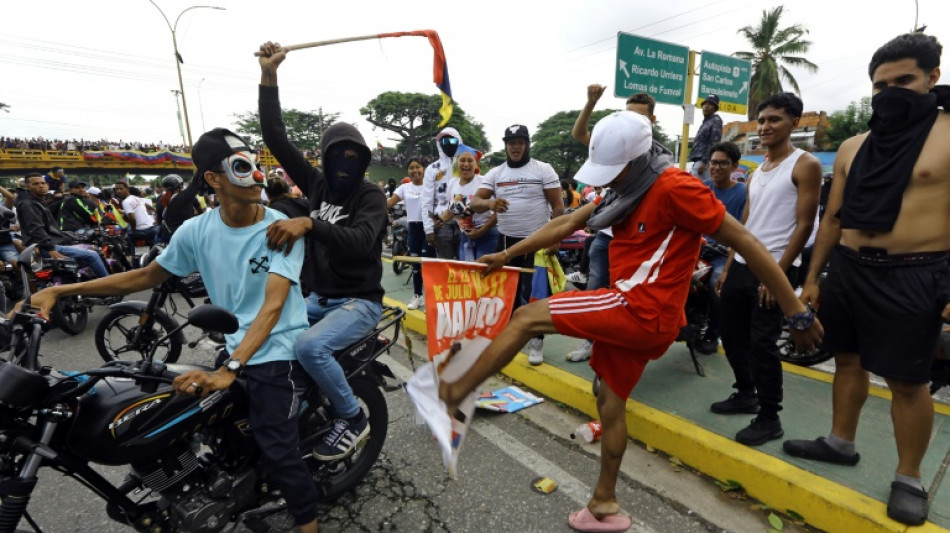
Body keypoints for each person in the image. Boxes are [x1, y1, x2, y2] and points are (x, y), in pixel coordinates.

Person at [440, 111, 822, 532]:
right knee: (609, 400)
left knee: (527, 317)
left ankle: (455, 391)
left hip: (640, 308)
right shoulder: (622, 188)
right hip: (633, 309)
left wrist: (797, 311)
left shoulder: (676, 186)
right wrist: (508, 255)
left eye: (612, 170)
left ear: (638, 158)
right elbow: (567, 221)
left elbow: (747, 240)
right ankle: (604, 503)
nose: (605, 179)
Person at [28, 128, 320, 533]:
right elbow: (145, 275)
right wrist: (62, 290)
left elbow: (272, 307)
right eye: (241, 167)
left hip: (278, 350)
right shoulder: (195, 231)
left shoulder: (279, 228)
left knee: (280, 451)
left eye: (255, 167)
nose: (255, 177)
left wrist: (228, 368)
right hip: (237, 347)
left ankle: (308, 522)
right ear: (213, 179)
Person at [783, 33, 950, 526]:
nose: (891, 91)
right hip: (851, 269)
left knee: (907, 380)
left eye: (905, 80)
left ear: (932, 78)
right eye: (881, 85)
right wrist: (813, 277)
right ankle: (840, 442)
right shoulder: (856, 145)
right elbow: (832, 219)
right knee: (848, 360)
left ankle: (908, 477)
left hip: (916, 272)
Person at [258, 41, 387, 462]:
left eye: (355, 156)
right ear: (327, 158)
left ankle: (352, 417)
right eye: (339, 156)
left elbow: (362, 241)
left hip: (359, 302)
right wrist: (269, 75)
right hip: (317, 299)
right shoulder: (316, 184)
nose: (347, 164)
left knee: (310, 348)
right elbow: (275, 137)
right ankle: (300, 402)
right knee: (264, 336)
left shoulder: (370, 196)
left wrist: (312, 223)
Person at [711, 93, 821, 446]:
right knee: (731, 335)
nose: (764, 127)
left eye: (774, 120)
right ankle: (746, 393)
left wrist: (777, 275)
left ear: (794, 123)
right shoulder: (758, 170)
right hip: (742, 265)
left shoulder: (806, 165)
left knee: (763, 344)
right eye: (761, 121)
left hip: (775, 268)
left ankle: (770, 416)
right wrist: (728, 266)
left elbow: (804, 226)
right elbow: (744, 224)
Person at [565, 87, 657, 362]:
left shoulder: (659, 164)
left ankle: (622, 348)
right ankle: (590, 342)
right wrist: (590, 102)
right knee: (596, 291)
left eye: (639, 118)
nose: (631, 124)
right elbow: (580, 135)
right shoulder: (612, 147)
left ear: (651, 122)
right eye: (627, 116)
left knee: (629, 297)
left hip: (636, 242)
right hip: (605, 236)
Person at [470, 124, 563, 365]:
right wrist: (490, 205)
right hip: (506, 241)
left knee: (536, 294)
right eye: (511, 142)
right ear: (506, 146)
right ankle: (511, 335)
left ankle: (537, 341)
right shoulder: (496, 173)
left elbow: (558, 206)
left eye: (520, 142)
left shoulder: (543, 169)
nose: (516, 146)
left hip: (537, 242)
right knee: (506, 291)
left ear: (527, 144)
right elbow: (475, 201)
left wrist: (555, 238)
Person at [696, 142, 747, 355]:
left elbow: (742, 234)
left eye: (723, 163)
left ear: (735, 166)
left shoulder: (743, 194)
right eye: (713, 162)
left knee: (718, 282)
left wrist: (727, 266)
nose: (716, 167)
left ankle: (713, 333)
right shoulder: (701, 188)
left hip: (724, 253)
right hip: (697, 248)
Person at [15, 173, 110, 278]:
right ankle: (109, 285)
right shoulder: (29, 204)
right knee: (92, 255)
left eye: (43, 183)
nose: (41, 186)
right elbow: (36, 228)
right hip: (44, 247)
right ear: (27, 187)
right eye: (36, 184)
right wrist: (51, 249)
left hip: (51, 241)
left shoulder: (37, 201)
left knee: (86, 247)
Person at [387, 158, 433, 310]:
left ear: (424, 169)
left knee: (428, 265)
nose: (415, 171)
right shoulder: (404, 188)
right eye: (411, 168)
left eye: (418, 167)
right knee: (415, 265)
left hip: (429, 229)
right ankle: (417, 296)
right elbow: (388, 203)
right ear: (408, 171)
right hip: (413, 229)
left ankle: (431, 300)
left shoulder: (431, 185)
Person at [440, 146, 498, 261]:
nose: (466, 164)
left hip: (488, 236)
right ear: (457, 163)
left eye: (470, 160)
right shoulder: (452, 183)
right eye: (462, 160)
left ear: (476, 164)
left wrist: (481, 231)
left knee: (481, 275)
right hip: (465, 238)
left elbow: (499, 211)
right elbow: (452, 210)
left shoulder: (484, 182)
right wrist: (438, 221)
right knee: (467, 274)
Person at [422, 127, 462, 259]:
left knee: (466, 267)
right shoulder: (432, 169)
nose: (448, 144)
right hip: (442, 225)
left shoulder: (466, 165)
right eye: (444, 141)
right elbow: (427, 201)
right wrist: (429, 229)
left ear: (458, 141)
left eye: (451, 139)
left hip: (464, 224)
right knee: (445, 268)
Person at [688, 95, 724, 183]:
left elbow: (714, 143)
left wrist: (705, 162)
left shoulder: (715, 120)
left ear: (715, 108)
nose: (706, 106)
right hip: (699, 162)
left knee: (699, 190)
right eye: (705, 104)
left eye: (710, 104)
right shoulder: (706, 122)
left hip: (704, 163)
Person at [115, 181, 159, 247]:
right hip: (151, 227)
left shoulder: (125, 202)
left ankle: (132, 253)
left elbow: (132, 219)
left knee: (128, 233)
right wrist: (156, 212)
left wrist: (133, 230)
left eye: (121, 189)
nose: (118, 191)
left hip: (140, 230)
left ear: (127, 189)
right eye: (116, 189)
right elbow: (145, 205)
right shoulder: (135, 198)